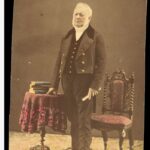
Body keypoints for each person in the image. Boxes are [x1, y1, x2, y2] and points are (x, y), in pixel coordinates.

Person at [47, 2, 106, 150]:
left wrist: (95, 86)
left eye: (82, 14)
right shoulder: (67, 36)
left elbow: (102, 63)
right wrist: (54, 85)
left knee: (83, 120)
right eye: (76, 14)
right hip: (67, 82)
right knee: (73, 119)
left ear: (89, 18)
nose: (78, 17)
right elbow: (58, 62)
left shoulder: (96, 37)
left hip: (85, 84)